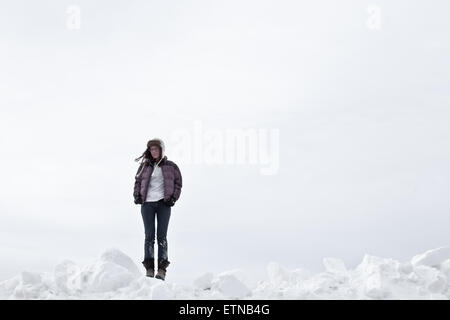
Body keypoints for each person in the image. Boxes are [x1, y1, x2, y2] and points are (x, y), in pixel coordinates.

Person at [133, 138, 182, 280]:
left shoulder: (171, 166)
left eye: (156, 149)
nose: (154, 151)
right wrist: (136, 195)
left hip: (163, 204)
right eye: (151, 149)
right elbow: (137, 181)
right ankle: (149, 268)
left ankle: (161, 270)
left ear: (161, 150)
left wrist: (173, 198)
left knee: (162, 237)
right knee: (149, 237)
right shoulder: (144, 166)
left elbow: (178, 183)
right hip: (147, 204)